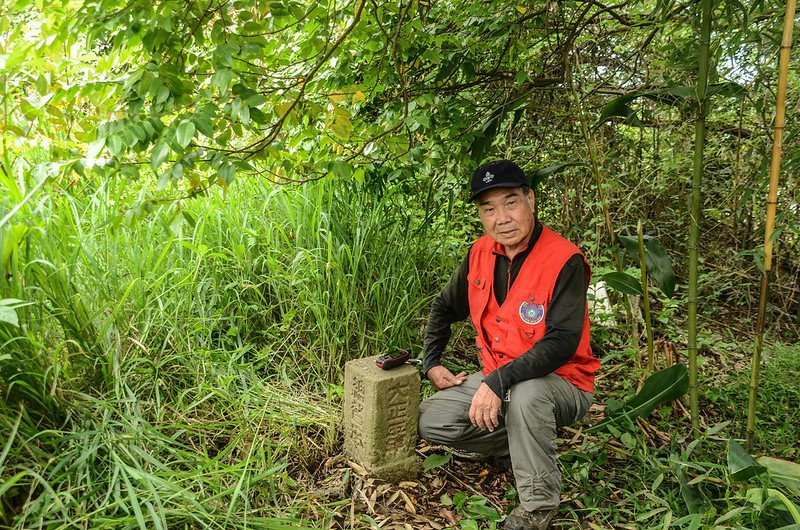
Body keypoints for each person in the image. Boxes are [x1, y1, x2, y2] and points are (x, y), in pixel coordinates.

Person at [418, 160, 600, 530]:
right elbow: (443, 306)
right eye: (489, 208)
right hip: (497, 379)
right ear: (481, 216)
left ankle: (538, 506)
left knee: (530, 395)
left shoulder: (565, 260)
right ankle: (516, 445)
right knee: (430, 420)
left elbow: (562, 343)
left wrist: (497, 382)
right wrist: (431, 362)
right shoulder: (479, 253)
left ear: (530, 200)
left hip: (560, 384)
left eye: (511, 202)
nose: (502, 217)